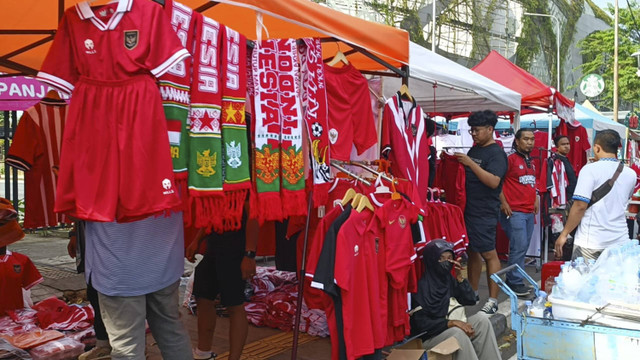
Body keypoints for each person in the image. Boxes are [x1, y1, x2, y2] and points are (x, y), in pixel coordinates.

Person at [84, 212, 192, 360]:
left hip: (119, 269)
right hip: (165, 261)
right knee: (171, 331)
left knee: (127, 348)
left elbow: (77, 210)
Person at [186, 205, 258, 360]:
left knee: (234, 304)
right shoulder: (215, 181)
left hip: (236, 250)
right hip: (213, 246)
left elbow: (254, 216)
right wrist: (197, 240)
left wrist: (250, 254)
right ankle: (203, 352)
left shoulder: (245, 182)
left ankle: (234, 357)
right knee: (202, 296)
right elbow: (213, 213)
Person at [411, 240, 501, 360]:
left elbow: (470, 300)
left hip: (448, 327)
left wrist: (460, 278)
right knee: (458, 333)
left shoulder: (447, 279)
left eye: (449, 258)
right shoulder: (421, 287)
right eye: (441, 258)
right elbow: (420, 325)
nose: (446, 262)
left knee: (481, 320)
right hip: (429, 337)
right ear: (431, 260)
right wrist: (450, 323)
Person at [455, 110, 508, 315]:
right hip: (469, 209)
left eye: (477, 130)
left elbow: (494, 181)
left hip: (484, 211)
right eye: (471, 130)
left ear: (490, 130)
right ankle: (473, 291)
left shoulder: (497, 154)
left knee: (489, 253)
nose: (473, 134)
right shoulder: (474, 150)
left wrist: (469, 164)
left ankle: (493, 299)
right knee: (473, 251)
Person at [555, 130, 636, 261]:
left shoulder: (589, 170)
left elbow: (580, 206)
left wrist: (564, 234)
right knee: (613, 281)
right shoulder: (631, 173)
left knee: (586, 280)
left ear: (597, 148)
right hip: (620, 240)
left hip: (590, 243)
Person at [499, 129, 538, 297]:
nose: (530, 142)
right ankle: (514, 281)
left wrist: (535, 198)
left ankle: (515, 279)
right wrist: (503, 203)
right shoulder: (509, 160)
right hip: (514, 211)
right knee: (519, 246)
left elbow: (531, 183)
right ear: (516, 141)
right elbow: (497, 182)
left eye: (532, 139)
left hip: (528, 211)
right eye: (526, 139)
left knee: (522, 247)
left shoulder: (532, 161)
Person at [67, 221, 111, 360]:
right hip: (93, 247)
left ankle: (132, 349)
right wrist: (74, 232)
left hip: (116, 248)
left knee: (122, 305)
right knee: (95, 295)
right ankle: (104, 345)